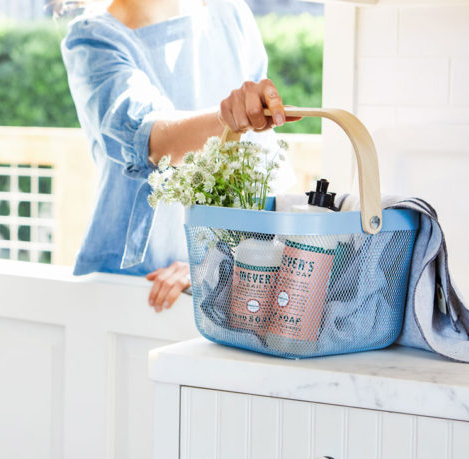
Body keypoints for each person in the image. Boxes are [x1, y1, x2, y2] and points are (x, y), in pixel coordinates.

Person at [60, 0, 296, 312]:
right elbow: (149, 138)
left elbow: (261, 160)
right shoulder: (93, 38)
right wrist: (229, 120)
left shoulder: (230, 14)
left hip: (227, 284)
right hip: (134, 290)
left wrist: (214, 262)